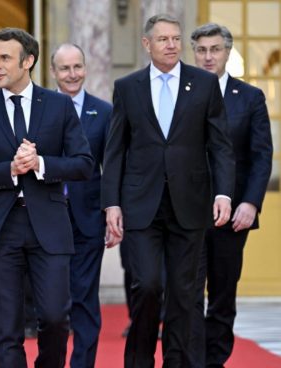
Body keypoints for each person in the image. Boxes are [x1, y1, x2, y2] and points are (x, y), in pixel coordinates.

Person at [101, 14, 235, 367]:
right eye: (163, 39)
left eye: (176, 38)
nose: (172, 45)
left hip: (190, 203)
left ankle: (179, 361)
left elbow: (220, 145)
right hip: (141, 204)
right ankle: (140, 360)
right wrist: (111, 204)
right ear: (147, 44)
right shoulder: (128, 87)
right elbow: (115, 149)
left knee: (185, 293)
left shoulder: (204, 84)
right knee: (146, 286)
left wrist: (224, 193)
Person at [0, 27, 94, 367]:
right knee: (6, 329)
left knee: (54, 317)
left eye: (4, 58)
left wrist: (41, 164)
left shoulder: (59, 106)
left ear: (28, 61)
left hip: (49, 227)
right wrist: (11, 170)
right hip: (0, 228)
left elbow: (84, 164)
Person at [189, 23, 273, 368]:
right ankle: (191, 359)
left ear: (227, 52)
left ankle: (215, 361)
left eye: (215, 49)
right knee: (188, 295)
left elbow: (261, 155)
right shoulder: (181, 93)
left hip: (233, 215)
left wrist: (251, 203)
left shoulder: (250, 97)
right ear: (193, 53)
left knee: (223, 293)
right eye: (202, 50)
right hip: (187, 213)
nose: (208, 56)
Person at [50, 43, 111, 368]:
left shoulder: (103, 112)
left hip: (87, 219)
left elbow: (112, 166)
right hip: (47, 221)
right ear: (53, 72)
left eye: (77, 67)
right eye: (65, 68)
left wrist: (113, 210)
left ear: (85, 68)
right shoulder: (41, 108)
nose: (72, 74)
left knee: (85, 300)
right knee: (53, 304)